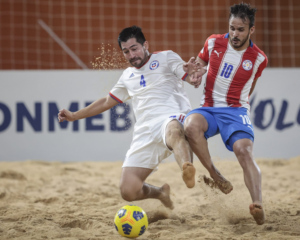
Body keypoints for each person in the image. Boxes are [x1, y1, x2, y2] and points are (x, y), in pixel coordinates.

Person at [58, 26, 201, 209]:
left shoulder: (165, 57)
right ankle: (160, 193)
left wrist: (193, 77)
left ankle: (186, 167)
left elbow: (188, 76)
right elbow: (106, 102)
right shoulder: (127, 76)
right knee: (128, 191)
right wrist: (75, 115)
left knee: (173, 130)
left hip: (171, 117)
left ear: (145, 45)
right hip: (145, 132)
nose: (131, 55)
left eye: (134, 49)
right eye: (126, 51)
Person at [184, 3, 268, 225]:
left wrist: (239, 104)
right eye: (232, 28)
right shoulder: (213, 42)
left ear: (251, 30)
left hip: (235, 110)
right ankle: (214, 174)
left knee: (244, 150)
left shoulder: (259, 58)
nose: (235, 34)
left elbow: (251, 85)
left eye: (241, 29)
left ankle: (257, 204)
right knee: (190, 126)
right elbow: (200, 64)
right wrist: (195, 75)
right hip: (208, 108)